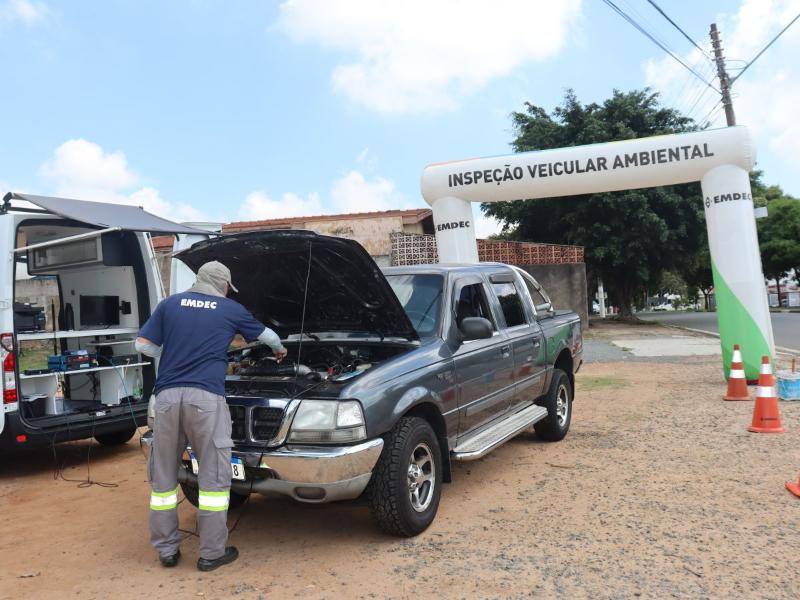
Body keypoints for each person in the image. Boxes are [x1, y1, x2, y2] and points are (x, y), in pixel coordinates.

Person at [136, 260, 287, 572]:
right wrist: (280, 351)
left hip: (165, 398)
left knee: (163, 478)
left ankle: (166, 550)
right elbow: (269, 337)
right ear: (224, 286)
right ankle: (212, 553)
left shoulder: (170, 303)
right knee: (214, 476)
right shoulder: (229, 308)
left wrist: (174, 352)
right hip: (204, 400)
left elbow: (142, 344)